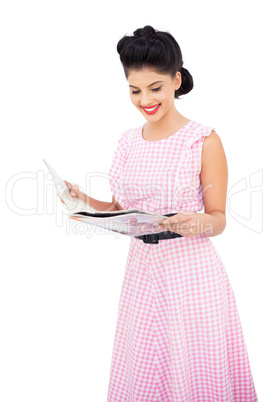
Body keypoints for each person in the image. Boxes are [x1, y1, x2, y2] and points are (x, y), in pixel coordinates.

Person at [64, 26, 258, 401]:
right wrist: (84, 199)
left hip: (192, 275)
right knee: (148, 366)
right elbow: (123, 210)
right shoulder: (127, 141)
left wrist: (194, 222)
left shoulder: (202, 139)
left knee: (194, 367)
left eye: (155, 88)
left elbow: (218, 218)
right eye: (135, 90)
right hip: (141, 272)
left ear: (176, 80)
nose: (145, 100)